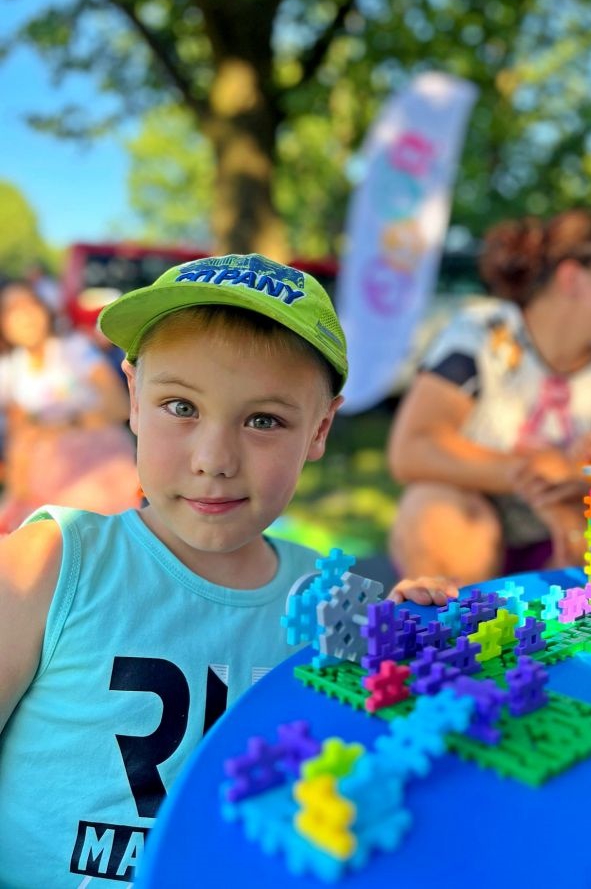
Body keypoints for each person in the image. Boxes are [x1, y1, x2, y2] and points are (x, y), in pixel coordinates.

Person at [0, 253, 455, 888]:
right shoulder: (47, 564)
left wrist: (414, 638)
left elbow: (384, 759)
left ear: (320, 428)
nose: (214, 459)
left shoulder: (336, 599)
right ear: (133, 397)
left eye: (264, 420)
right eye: (180, 406)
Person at [387, 210, 591, 586]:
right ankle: (453, 618)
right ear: (572, 278)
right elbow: (413, 449)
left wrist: (581, 486)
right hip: (471, 533)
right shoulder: (485, 334)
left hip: (561, 544)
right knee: (435, 507)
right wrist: (538, 475)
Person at [0, 280, 140, 532]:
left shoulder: (75, 350)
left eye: (30, 304)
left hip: (99, 465)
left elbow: (119, 406)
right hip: (47, 474)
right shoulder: (11, 371)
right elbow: (18, 437)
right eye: (12, 309)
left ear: (45, 309)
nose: (25, 316)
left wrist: (62, 424)